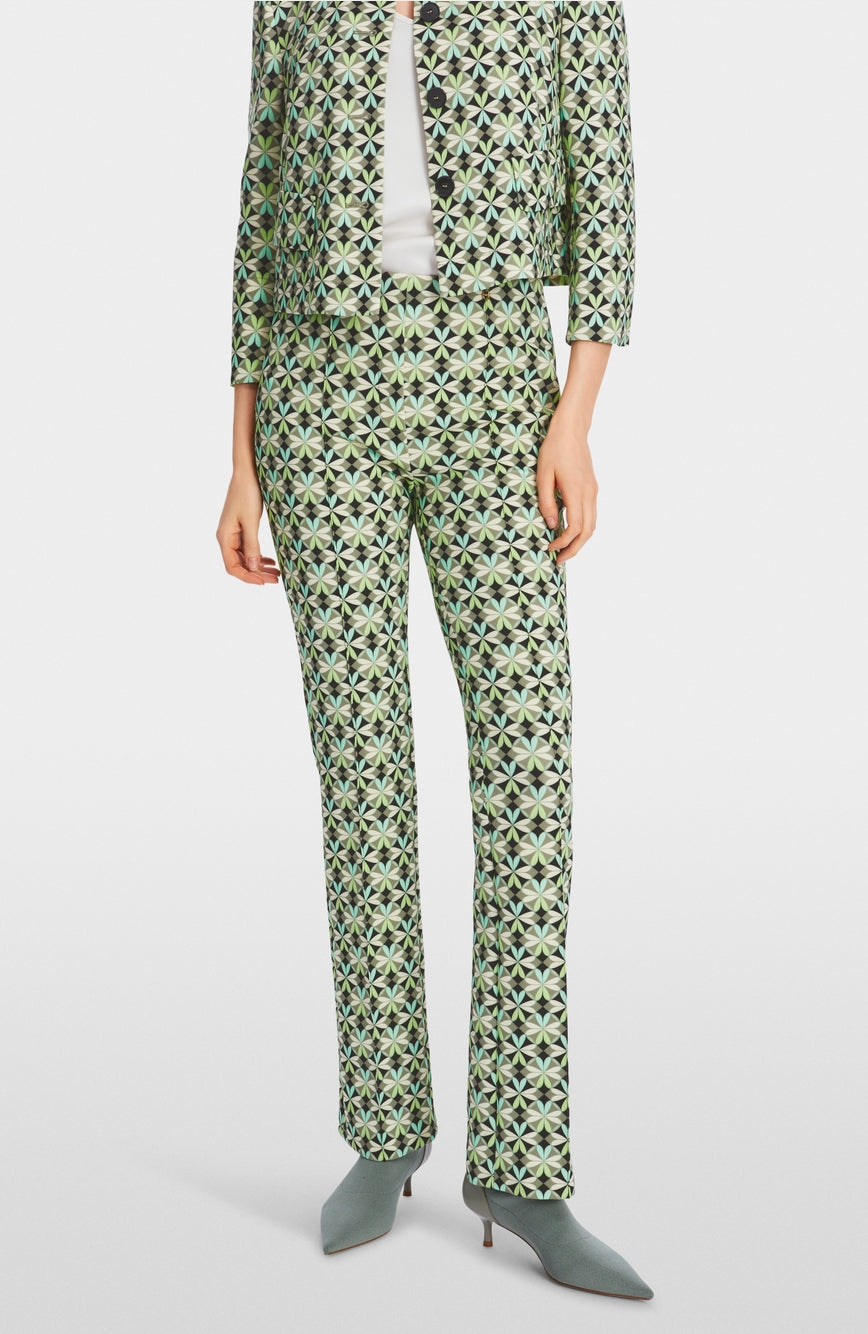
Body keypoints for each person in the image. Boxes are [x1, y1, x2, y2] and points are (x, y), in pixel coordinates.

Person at [216, 0, 653, 1299]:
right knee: (364, 779)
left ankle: (522, 1162)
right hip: (320, 394)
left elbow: (608, 191)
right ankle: (384, 1130)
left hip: (495, 390)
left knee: (529, 767)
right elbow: (260, 205)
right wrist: (240, 456)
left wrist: (575, 417)